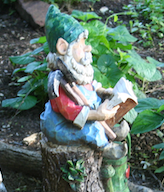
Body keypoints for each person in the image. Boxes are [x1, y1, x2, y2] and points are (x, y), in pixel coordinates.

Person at [40, 5, 128, 159]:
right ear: (63, 48)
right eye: (80, 44)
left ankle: (110, 132)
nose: (88, 47)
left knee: (98, 112)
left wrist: (102, 91)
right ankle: (106, 147)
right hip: (62, 125)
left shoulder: (76, 70)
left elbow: (89, 85)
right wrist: (96, 115)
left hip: (85, 113)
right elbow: (69, 111)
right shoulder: (58, 81)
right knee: (91, 130)